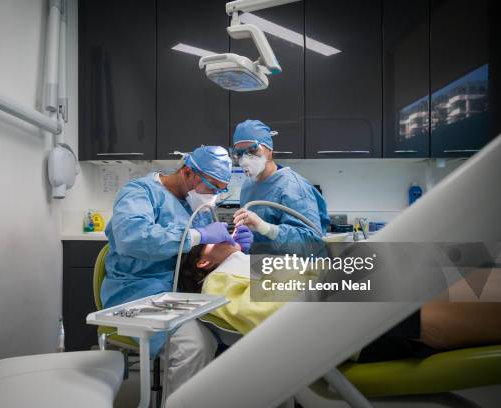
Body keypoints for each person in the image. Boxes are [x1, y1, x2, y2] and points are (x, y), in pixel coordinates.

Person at [181, 242, 501, 362]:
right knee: (469, 290)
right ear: (203, 262)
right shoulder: (219, 280)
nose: (225, 235)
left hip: (360, 299)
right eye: (214, 239)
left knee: (472, 281)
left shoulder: (247, 266)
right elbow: (274, 314)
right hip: (357, 320)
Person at [101, 145, 253, 395]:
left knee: (246, 334)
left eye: (220, 190)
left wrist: (238, 246)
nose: (213, 196)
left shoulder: (197, 206)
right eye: (211, 187)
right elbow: (132, 238)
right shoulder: (140, 193)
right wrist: (197, 235)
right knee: (194, 347)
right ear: (188, 172)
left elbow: (201, 253)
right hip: (138, 292)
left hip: (187, 293)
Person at [231, 120, 330, 251]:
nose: (245, 159)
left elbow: (311, 242)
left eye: (252, 150)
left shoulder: (293, 187)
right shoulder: (248, 185)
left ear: (269, 150)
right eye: (239, 153)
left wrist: (264, 227)